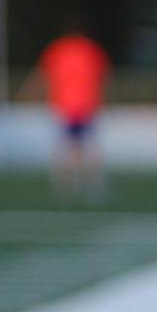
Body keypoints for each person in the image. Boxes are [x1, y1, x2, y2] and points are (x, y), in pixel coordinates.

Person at [24, 18, 110, 200]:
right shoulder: (90, 50)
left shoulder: (58, 49)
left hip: (64, 105)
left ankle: (65, 183)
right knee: (87, 146)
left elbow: (43, 75)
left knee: (66, 146)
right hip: (86, 105)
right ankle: (91, 183)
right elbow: (103, 77)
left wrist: (31, 93)